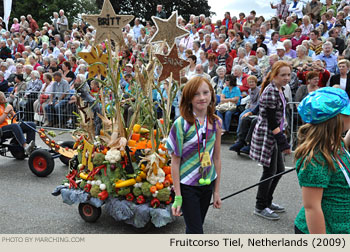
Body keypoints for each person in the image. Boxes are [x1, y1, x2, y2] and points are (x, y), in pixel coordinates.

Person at [166, 76, 222, 234]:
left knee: (195, 228)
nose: (202, 97)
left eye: (206, 92)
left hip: (207, 183)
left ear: (212, 95)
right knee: (197, 231)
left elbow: (217, 158)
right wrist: (178, 196)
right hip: (188, 186)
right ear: (189, 98)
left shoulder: (216, 122)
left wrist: (216, 191)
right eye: (196, 94)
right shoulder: (181, 124)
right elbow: (175, 162)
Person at [295, 87, 350, 233]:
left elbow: (345, 144)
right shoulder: (316, 159)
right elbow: (312, 208)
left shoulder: (335, 143)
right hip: (328, 230)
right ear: (336, 119)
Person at [250, 61, 292, 220]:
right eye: (283, 75)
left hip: (276, 134)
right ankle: (260, 206)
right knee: (269, 172)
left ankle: (267, 201)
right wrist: (283, 143)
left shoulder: (281, 89)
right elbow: (272, 121)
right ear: (274, 76)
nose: (286, 78)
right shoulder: (270, 92)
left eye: (288, 75)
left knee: (279, 170)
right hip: (268, 136)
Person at [0, 91, 36, 156]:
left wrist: (11, 112)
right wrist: (6, 112)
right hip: (2, 129)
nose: (5, 100)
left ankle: (30, 146)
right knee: (14, 126)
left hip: (11, 125)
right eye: (2, 99)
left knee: (31, 125)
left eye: (4, 98)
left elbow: (15, 117)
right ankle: (25, 146)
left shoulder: (5, 105)